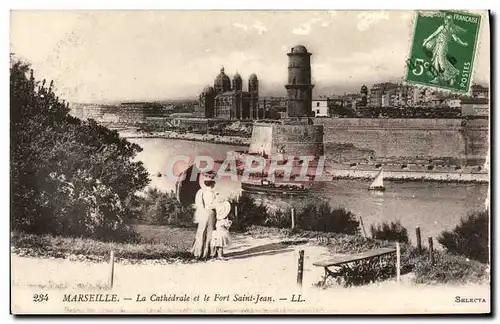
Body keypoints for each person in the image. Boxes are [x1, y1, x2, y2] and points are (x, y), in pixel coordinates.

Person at [422, 15, 468, 86]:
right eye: (445, 20)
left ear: (450, 21)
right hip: (437, 45)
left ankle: (450, 76)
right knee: (436, 61)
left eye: (448, 20)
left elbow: (456, 39)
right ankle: (438, 77)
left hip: (443, 45)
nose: (446, 21)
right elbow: (434, 34)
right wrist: (426, 41)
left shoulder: (452, 29)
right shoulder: (442, 27)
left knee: (441, 61)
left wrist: (463, 43)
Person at [190, 174, 217, 260]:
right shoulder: (212, 193)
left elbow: (199, 204)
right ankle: (208, 253)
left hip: (203, 213)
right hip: (210, 213)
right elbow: (212, 205)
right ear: (212, 184)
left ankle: (198, 252)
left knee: (201, 231)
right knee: (210, 232)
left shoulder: (201, 192)